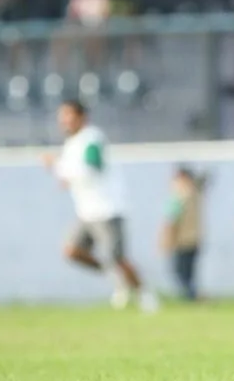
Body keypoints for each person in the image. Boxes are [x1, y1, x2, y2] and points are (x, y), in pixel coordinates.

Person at [42, 99, 158, 312]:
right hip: (86, 211)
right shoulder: (71, 144)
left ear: (81, 117)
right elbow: (72, 175)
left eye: (68, 116)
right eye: (62, 117)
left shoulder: (92, 138)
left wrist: (57, 167)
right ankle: (117, 279)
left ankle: (144, 293)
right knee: (72, 251)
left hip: (107, 209)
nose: (64, 121)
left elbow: (92, 168)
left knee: (117, 257)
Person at [161, 165, 206, 301]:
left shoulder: (179, 196)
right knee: (188, 274)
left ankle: (190, 297)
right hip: (194, 239)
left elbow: (171, 220)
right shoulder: (195, 193)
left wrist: (166, 239)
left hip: (181, 240)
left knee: (180, 272)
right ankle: (192, 296)